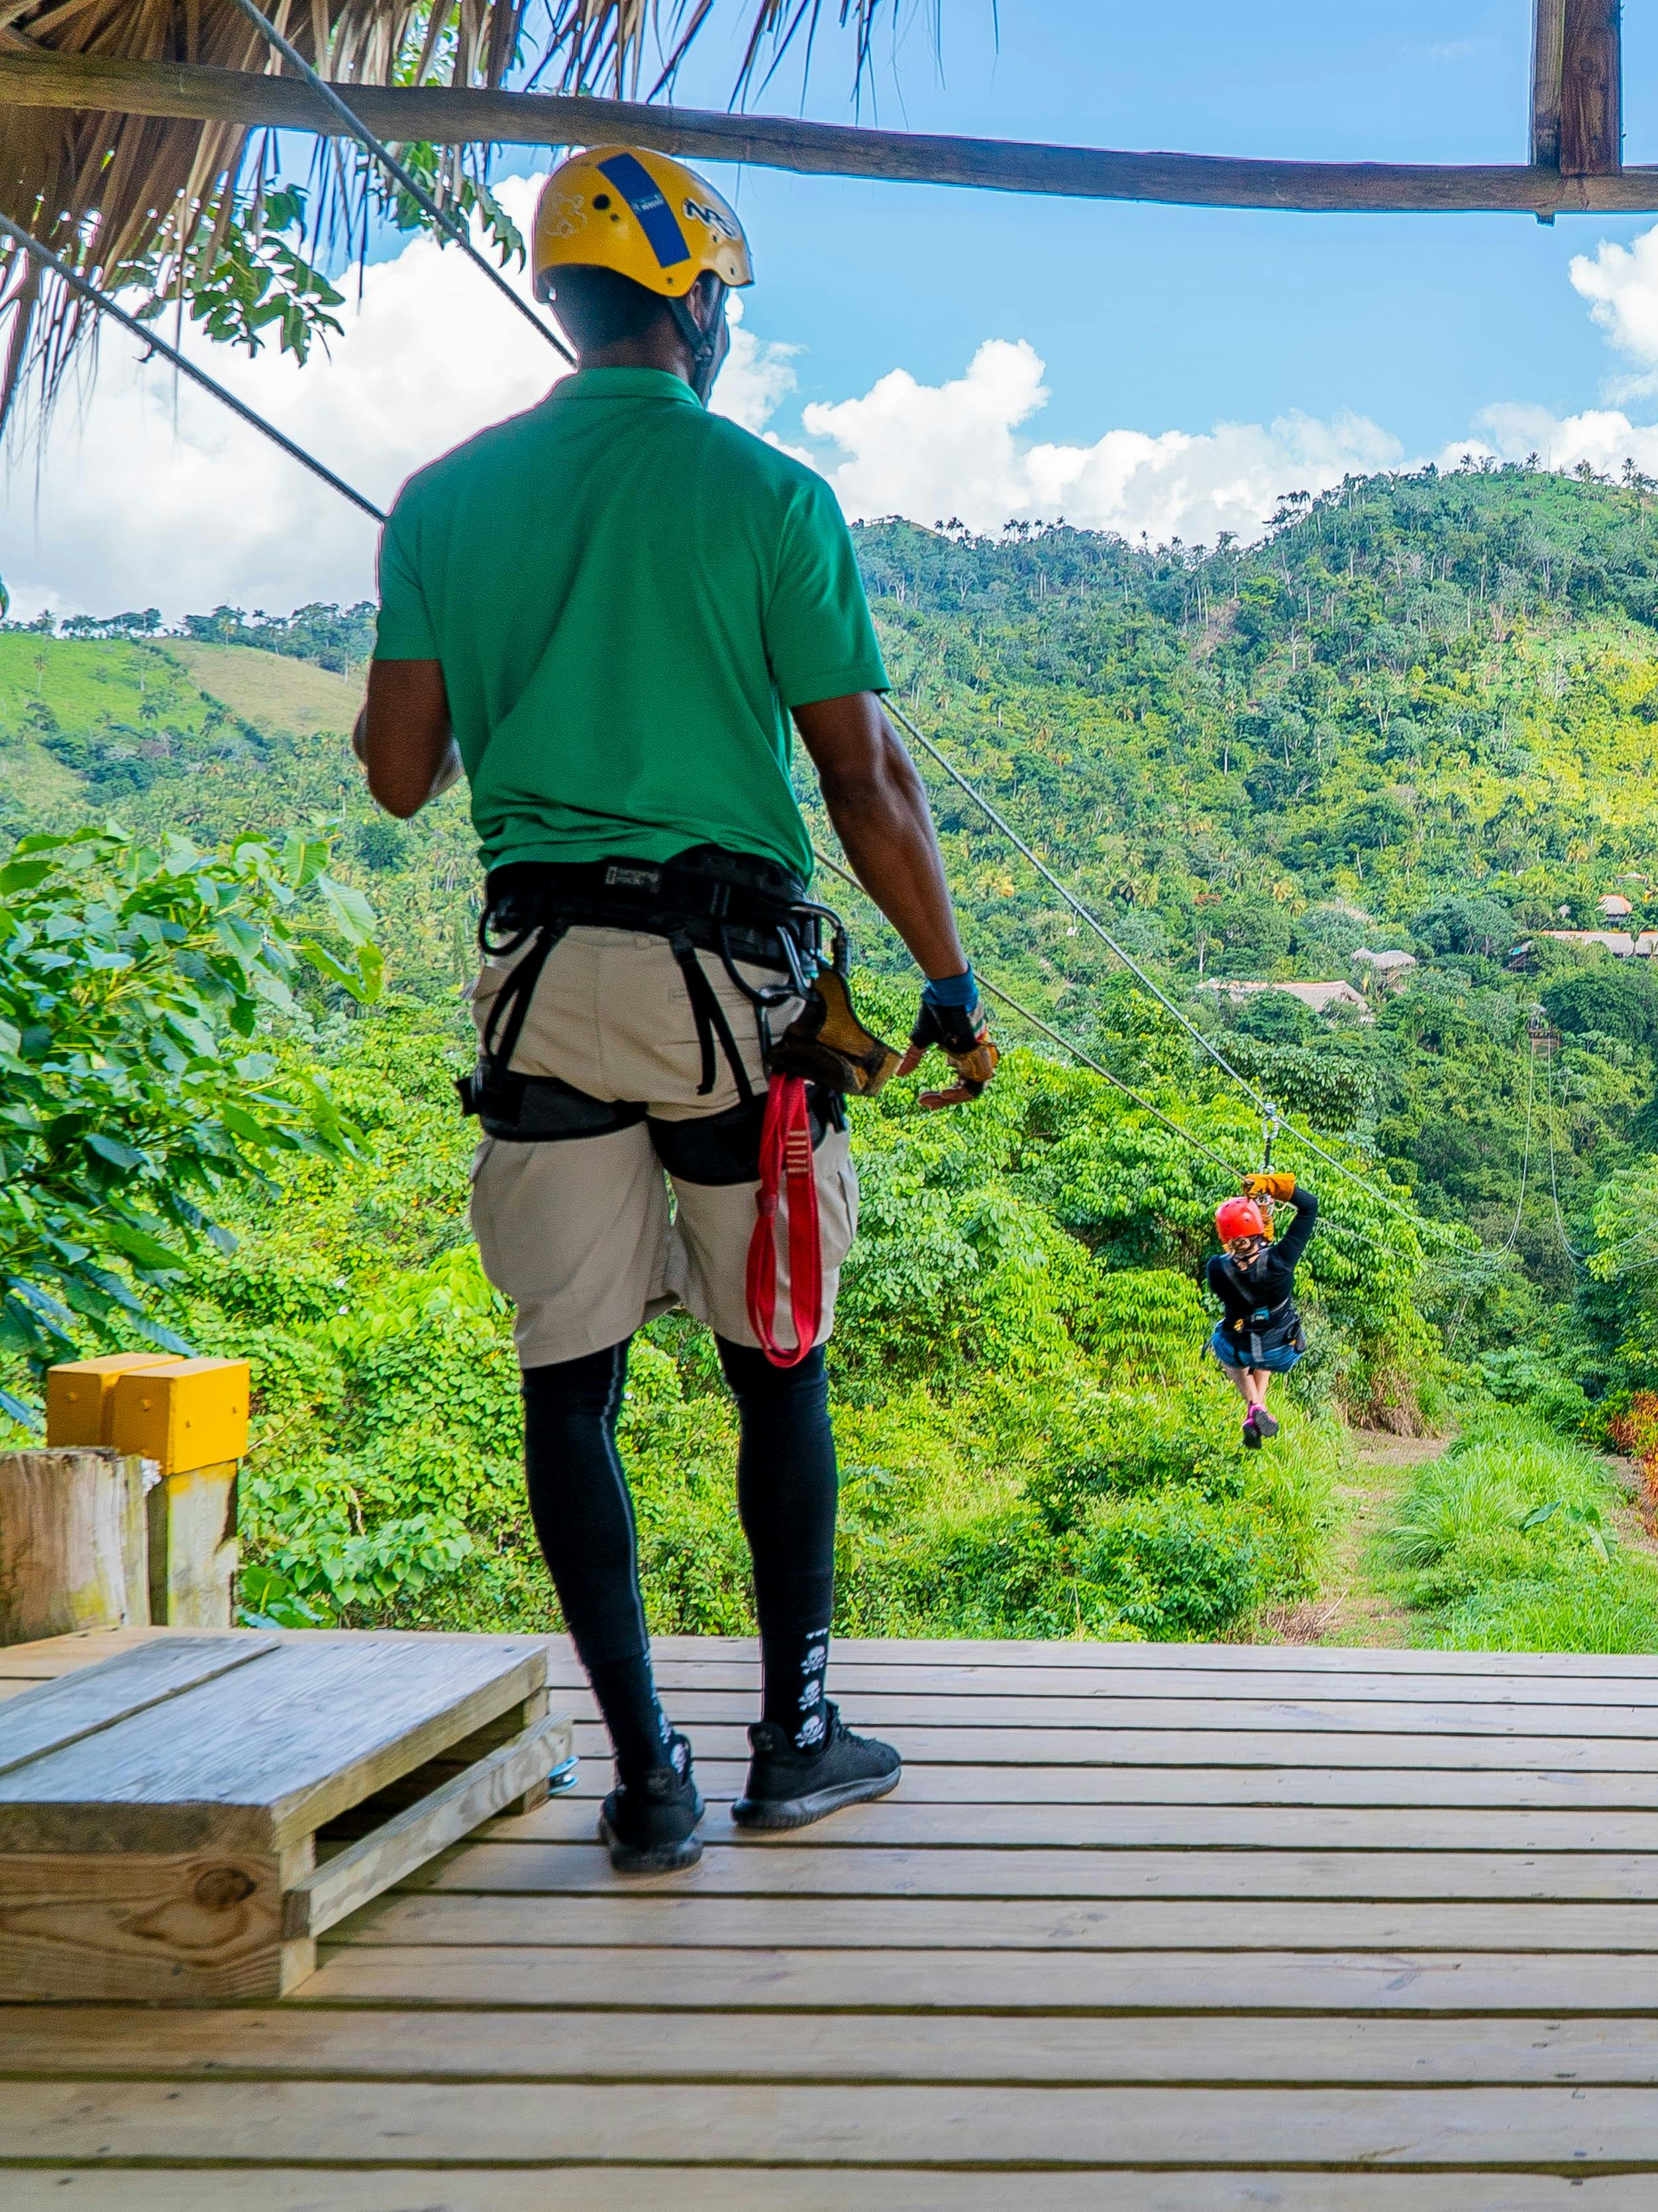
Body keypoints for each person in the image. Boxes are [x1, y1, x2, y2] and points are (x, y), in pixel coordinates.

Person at [350, 146, 998, 1876]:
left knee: (570, 1386)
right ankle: (796, 1735)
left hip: (545, 988)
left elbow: (402, 774)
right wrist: (943, 981)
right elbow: (862, 779)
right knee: (773, 1360)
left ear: (562, 301)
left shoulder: (446, 501)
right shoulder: (770, 496)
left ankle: (646, 1778)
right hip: (731, 990)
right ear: (698, 306)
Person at [1206, 1172, 1316, 1447]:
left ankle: (1255, 1405)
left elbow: (1244, 1265)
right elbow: (1309, 1206)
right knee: (1266, 1340)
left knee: (1225, 1338)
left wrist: (1260, 1231)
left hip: (1240, 1348)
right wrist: (1274, 1188)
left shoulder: (1217, 1269)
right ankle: (1257, 1409)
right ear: (1257, 1230)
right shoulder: (1281, 1261)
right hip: (1280, 1351)